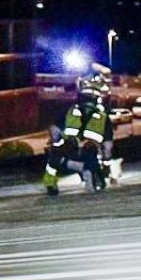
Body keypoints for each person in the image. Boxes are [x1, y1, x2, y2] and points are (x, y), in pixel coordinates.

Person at [43, 65, 114, 195]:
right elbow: (108, 147)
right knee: (93, 162)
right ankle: (91, 175)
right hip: (88, 155)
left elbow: (54, 129)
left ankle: (50, 184)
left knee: (54, 156)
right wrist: (106, 165)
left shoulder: (70, 112)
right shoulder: (103, 119)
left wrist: (56, 143)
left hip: (67, 151)